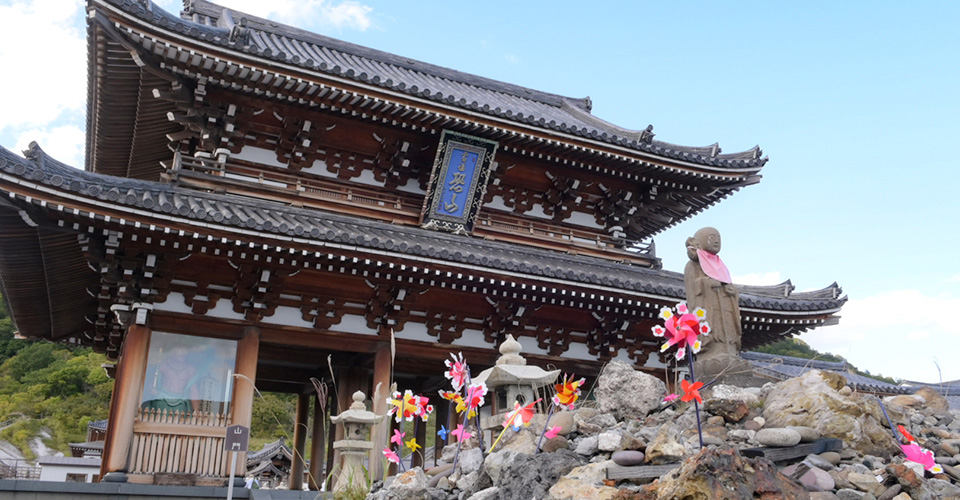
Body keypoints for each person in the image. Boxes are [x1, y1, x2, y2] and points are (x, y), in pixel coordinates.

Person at [683, 227, 741, 361]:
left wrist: (733, 291)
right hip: (709, 311)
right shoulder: (692, 265)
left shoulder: (720, 265)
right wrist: (707, 283)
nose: (716, 241)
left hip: (725, 310)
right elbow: (692, 289)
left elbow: (728, 284)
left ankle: (730, 352)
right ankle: (711, 353)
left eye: (718, 238)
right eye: (711, 237)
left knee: (728, 336)